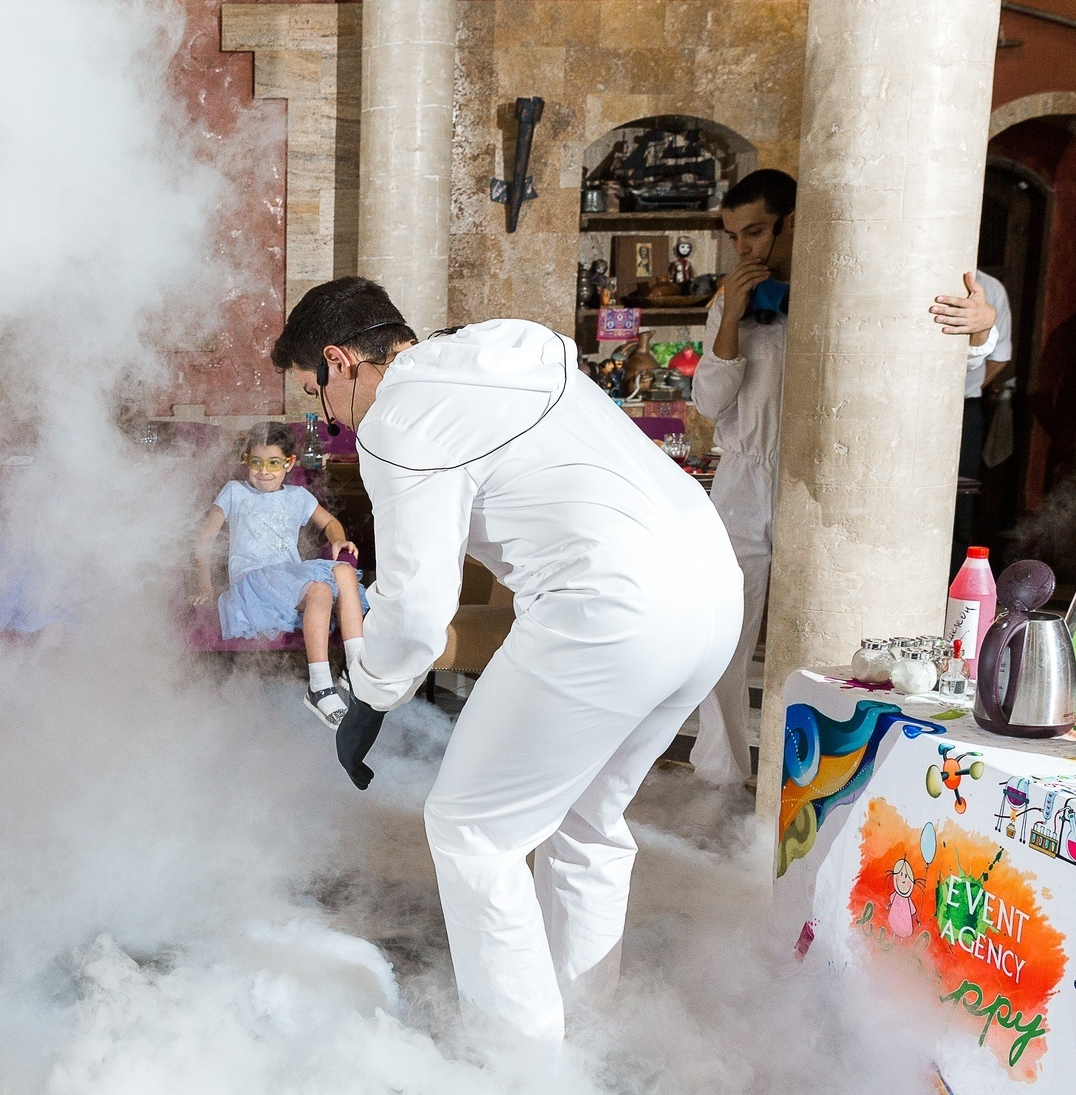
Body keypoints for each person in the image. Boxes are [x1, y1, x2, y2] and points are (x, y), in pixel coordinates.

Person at [275, 276, 740, 1047]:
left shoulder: (402, 416)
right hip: (710, 585)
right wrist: (380, 675)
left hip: (610, 605)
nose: (325, 420)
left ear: (339, 361)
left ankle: (520, 1082)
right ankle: (586, 1046)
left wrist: (368, 693)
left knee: (470, 833)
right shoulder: (501, 356)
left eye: (313, 395)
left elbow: (420, 612)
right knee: (587, 822)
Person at [689, 168, 795, 788]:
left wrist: (980, 327)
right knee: (725, 637)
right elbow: (709, 403)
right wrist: (730, 316)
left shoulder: (835, 299)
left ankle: (802, 774)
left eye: (755, 232)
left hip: (813, 486)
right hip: (742, 484)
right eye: (734, 237)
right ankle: (725, 772)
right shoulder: (729, 305)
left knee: (821, 632)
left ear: (790, 225)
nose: (745, 249)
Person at [191, 422, 366, 726]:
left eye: (274, 463)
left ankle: (357, 670)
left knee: (345, 573)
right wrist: (205, 586)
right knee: (319, 590)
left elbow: (330, 523)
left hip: (288, 573)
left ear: (289, 464)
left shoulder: (297, 496)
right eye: (256, 462)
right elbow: (203, 542)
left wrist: (337, 539)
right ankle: (321, 686)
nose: (264, 471)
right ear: (245, 460)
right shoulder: (234, 492)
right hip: (255, 580)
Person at [931, 268, 1012, 561]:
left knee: (957, 503)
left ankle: (953, 591)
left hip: (965, 409)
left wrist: (967, 388)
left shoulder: (991, 288)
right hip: (911, 405)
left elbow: (999, 357)